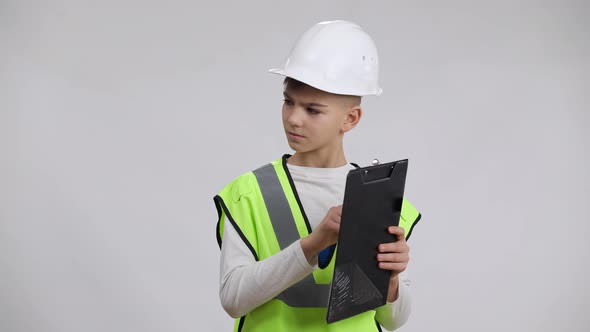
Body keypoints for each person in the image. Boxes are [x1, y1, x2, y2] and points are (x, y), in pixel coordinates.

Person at [214, 20, 421, 332]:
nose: (294, 119)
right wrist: (313, 244)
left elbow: (393, 321)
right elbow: (233, 299)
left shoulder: (382, 201)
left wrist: (390, 279)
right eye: (288, 102)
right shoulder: (249, 194)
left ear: (351, 118)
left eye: (313, 110)